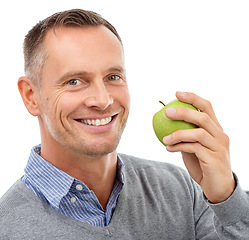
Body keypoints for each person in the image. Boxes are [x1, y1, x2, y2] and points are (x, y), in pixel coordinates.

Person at [0, 9, 248, 239]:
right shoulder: (7, 227)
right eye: (74, 81)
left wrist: (227, 199)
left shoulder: (180, 190)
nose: (103, 99)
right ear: (30, 96)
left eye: (113, 77)